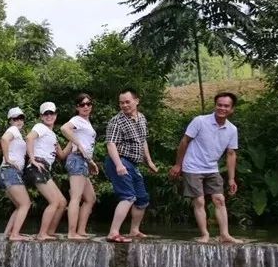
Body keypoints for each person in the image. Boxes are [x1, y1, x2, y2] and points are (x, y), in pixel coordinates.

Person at [169, 92, 241, 243]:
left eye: (226, 106)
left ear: (232, 109)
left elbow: (231, 153)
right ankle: (205, 234)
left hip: (212, 168)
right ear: (215, 105)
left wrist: (232, 179)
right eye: (219, 105)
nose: (222, 108)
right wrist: (178, 164)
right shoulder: (200, 121)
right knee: (200, 201)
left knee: (219, 199)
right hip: (193, 166)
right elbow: (184, 142)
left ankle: (224, 234)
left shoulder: (232, 129)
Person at [103, 89, 159, 243]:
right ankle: (113, 233)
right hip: (118, 161)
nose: (124, 105)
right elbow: (111, 144)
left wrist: (149, 161)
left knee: (142, 199)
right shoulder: (117, 121)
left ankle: (134, 230)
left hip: (133, 163)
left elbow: (143, 141)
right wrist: (119, 165)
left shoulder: (141, 118)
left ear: (136, 101)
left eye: (127, 102)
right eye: (121, 102)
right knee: (128, 196)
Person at [25, 102, 70, 240]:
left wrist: (73, 140)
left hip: (44, 169)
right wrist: (32, 159)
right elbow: (29, 137)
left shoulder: (53, 135)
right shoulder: (40, 127)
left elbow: (61, 155)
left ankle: (49, 232)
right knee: (54, 202)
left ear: (56, 115)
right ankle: (42, 234)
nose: (49, 116)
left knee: (62, 202)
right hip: (37, 166)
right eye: (46, 114)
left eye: (51, 113)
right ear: (41, 116)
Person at [61, 94, 99, 240]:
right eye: (82, 104)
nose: (86, 107)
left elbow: (86, 146)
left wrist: (91, 162)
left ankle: (81, 230)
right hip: (77, 160)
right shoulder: (77, 119)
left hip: (83, 161)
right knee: (76, 197)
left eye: (88, 104)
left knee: (90, 198)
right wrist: (80, 146)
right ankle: (72, 233)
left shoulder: (86, 123)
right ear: (77, 107)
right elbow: (64, 129)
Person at [0, 107, 31, 241]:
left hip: (5, 173)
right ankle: (15, 234)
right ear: (10, 121)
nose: (19, 121)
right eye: (15, 119)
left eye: (21, 118)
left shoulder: (18, 134)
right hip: (10, 171)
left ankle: (7, 233)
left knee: (19, 206)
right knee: (26, 204)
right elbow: (4, 139)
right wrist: (7, 159)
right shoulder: (12, 130)